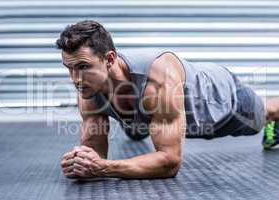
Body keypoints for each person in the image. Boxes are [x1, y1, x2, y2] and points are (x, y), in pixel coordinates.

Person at [56, 20, 279, 179]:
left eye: (83, 67)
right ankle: (138, 124)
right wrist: (81, 163)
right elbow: (94, 152)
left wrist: (104, 168)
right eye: (70, 68)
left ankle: (273, 115)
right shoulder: (88, 87)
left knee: (261, 117)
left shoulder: (158, 79)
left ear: (110, 59)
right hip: (151, 108)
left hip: (221, 99)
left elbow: (170, 163)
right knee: (141, 119)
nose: (75, 79)